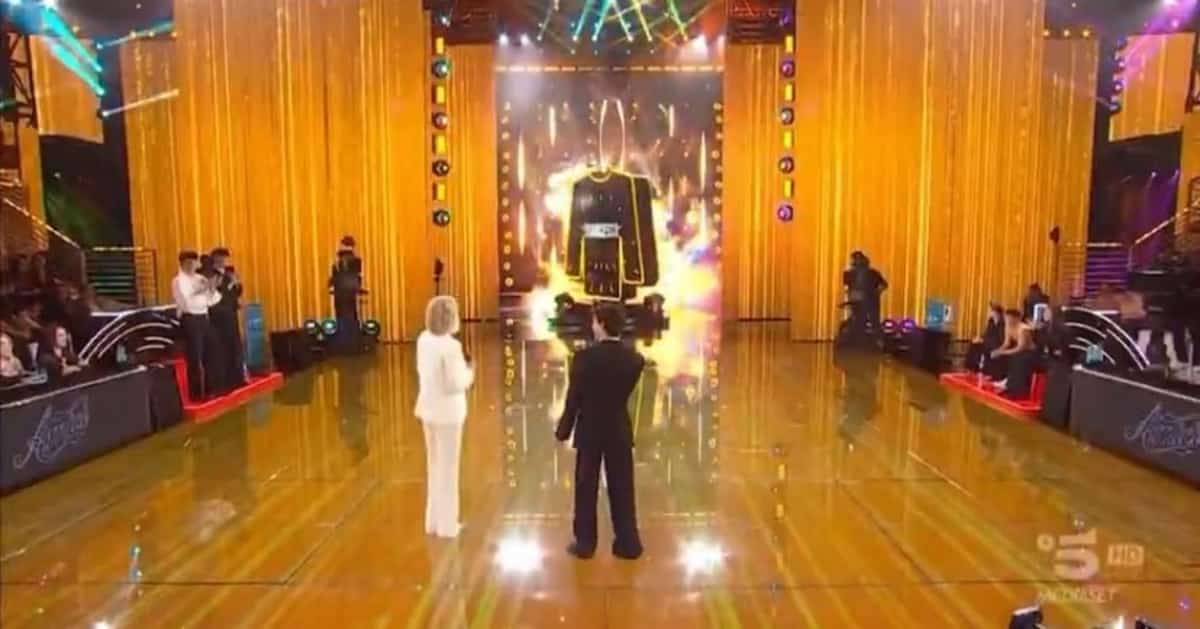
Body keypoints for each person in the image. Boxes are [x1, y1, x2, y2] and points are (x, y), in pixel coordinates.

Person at [555, 304, 645, 560]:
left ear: (602, 324)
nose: (592, 326)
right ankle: (628, 543)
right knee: (622, 487)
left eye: (595, 321)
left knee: (585, 488)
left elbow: (574, 399)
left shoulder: (583, 359)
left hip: (589, 429)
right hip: (618, 428)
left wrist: (563, 430)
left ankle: (585, 543)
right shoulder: (634, 360)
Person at [414, 295, 474, 538]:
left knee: (434, 465)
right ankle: (448, 526)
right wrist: (470, 373)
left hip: (428, 408)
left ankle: (433, 520)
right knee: (449, 469)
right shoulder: (451, 347)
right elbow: (454, 383)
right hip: (448, 414)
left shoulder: (424, 339)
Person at [173, 250, 221, 401]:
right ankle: (196, 394)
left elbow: (212, 301)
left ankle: (210, 390)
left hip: (203, 317)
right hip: (190, 319)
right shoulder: (178, 281)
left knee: (210, 353)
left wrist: (212, 289)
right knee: (195, 357)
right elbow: (185, 302)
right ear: (184, 263)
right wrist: (202, 289)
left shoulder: (200, 278)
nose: (194, 265)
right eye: (191, 262)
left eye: (195, 262)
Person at [210, 247, 246, 391]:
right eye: (220, 258)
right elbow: (213, 294)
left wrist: (236, 283)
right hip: (218, 316)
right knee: (222, 349)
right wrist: (223, 286)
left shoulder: (229, 274)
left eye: (225, 258)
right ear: (215, 259)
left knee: (235, 346)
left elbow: (237, 292)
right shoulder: (210, 274)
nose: (223, 261)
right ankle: (224, 382)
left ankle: (238, 379)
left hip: (231, 313)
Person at [329, 236, 365, 352]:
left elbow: (334, 278)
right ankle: (351, 343)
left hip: (341, 293)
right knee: (350, 316)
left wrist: (332, 285)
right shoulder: (355, 261)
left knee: (343, 317)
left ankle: (344, 343)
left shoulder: (338, 263)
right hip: (347, 293)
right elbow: (356, 277)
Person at [842, 251, 888, 336]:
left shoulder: (872, 273)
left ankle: (876, 339)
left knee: (873, 322)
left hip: (870, 301)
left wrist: (877, 293)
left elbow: (884, 284)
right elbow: (847, 287)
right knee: (860, 321)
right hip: (858, 302)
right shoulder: (849, 274)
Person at [965, 303, 1004, 372]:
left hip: (997, 344)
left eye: (990, 311)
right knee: (974, 343)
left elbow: (1000, 338)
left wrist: (983, 340)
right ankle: (971, 367)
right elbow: (986, 334)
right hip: (988, 343)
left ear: (995, 312)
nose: (988, 313)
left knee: (978, 345)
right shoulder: (991, 323)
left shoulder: (1002, 324)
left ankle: (974, 367)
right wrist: (979, 338)